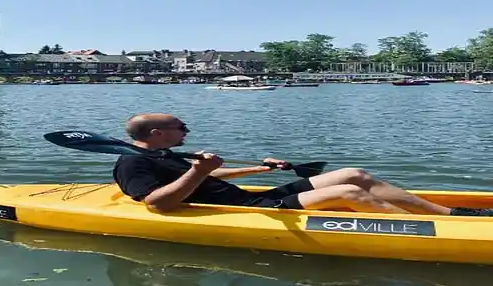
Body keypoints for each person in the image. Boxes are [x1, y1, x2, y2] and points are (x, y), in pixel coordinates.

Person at [112, 113, 493, 216]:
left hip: (248, 198)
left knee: (352, 174)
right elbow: (157, 204)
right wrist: (199, 169)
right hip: (241, 212)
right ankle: (424, 229)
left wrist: (264, 169)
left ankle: (449, 213)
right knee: (346, 191)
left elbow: (212, 176)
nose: (187, 131)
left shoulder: (166, 154)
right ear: (159, 132)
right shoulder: (132, 164)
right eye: (181, 127)